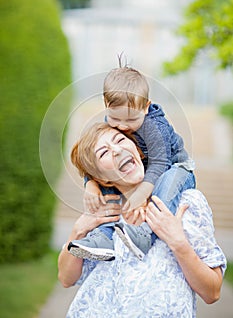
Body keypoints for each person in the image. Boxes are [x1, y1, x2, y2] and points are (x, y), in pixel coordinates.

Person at [58, 122, 226, 317]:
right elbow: (66, 278)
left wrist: (178, 242)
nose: (117, 150)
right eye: (103, 152)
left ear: (137, 150)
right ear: (103, 180)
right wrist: (78, 230)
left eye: (120, 140)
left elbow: (212, 292)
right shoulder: (105, 213)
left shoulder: (185, 203)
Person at [74, 65, 196, 260]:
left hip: (174, 168)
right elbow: (95, 160)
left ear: (146, 107)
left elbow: (159, 165)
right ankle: (103, 238)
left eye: (131, 119)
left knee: (165, 189)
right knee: (110, 180)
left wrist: (141, 196)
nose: (122, 126)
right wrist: (91, 183)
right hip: (146, 168)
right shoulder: (120, 119)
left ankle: (145, 235)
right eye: (114, 118)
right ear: (106, 105)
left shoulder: (155, 128)